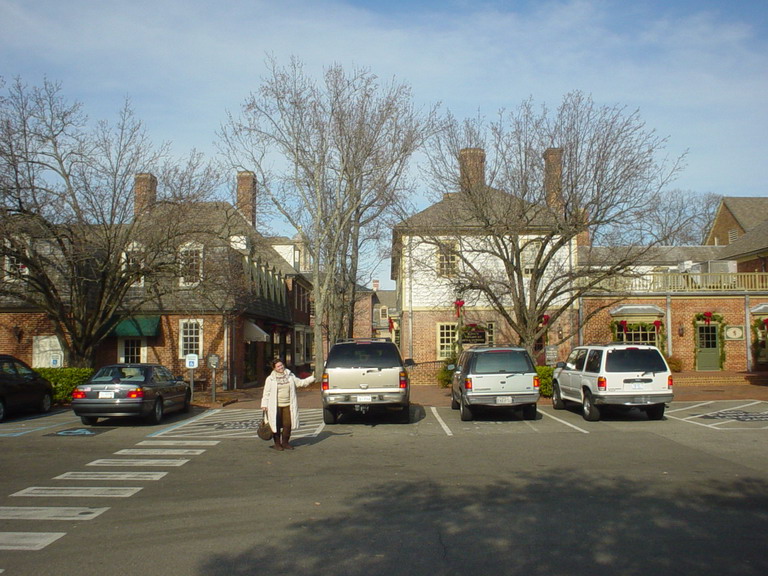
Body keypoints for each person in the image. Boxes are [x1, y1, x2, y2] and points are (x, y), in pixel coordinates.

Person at [261, 359, 315, 451]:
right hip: (275, 405)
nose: (281, 367)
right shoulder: (270, 379)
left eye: (281, 365)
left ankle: (285, 443)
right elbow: (266, 393)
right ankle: (277, 444)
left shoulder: (290, 376)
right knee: (275, 425)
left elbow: (300, 383)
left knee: (287, 424)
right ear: (274, 368)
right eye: (278, 366)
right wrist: (264, 404)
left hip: (288, 405)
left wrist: (312, 378)